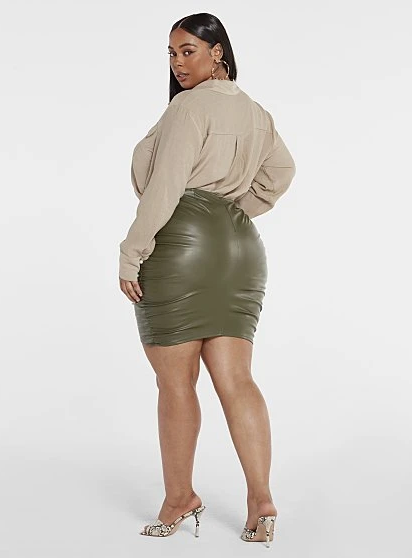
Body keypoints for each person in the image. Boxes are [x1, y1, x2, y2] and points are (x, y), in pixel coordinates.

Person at [118, 12, 296, 547]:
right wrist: (234, 212)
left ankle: (179, 498)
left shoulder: (189, 107)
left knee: (176, 383)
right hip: (239, 249)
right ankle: (261, 503)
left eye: (188, 51)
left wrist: (132, 251)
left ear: (218, 52)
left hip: (182, 247)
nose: (178, 63)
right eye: (172, 54)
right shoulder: (256, 112)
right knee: (237, 379)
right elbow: (282, 172)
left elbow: (166, 185)